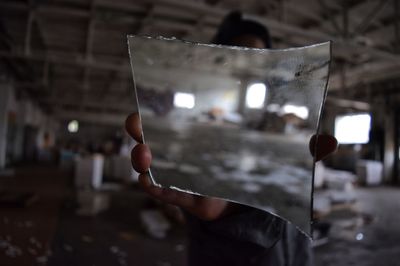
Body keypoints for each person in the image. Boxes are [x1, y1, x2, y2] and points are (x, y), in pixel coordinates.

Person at [126, 11, 338, 266]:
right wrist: (232, 217)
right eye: (239, 52)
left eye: (259, 57)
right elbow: (205, 212)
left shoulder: (275, 133)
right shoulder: (202, 134)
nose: (249, 63)